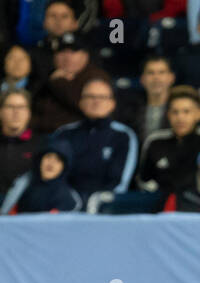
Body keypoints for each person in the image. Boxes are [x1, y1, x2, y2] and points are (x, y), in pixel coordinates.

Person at [49, 77, 139, 208]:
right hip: (65, 205)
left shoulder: (124, 136)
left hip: (105, 208)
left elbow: (120, 182)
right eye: (90, 97)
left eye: (102, 97)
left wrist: (97, 201)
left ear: (112, 104)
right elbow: (54, 175)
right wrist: (70, 200)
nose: (96, 102)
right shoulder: (64, 133)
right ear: (81, 102)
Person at [136, 85, 200, 196]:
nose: (180, 117)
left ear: (199, 114)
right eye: (175, 112)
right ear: (168, 115)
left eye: (186, 112)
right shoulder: (155, 141)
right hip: (160, 206)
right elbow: (144, 180)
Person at [0, 91, 35, 213]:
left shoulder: (40, 145)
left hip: (27, 213)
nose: (16, 112)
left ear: (28, 113)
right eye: (10, 107)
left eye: (21, 107)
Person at [0, 145, 84, 211]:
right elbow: (7, 215)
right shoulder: (23, 184)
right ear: (40, 160)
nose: (51, 163)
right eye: (48, 157)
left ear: (63, 168)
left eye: (58, 160)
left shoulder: (68, 198)